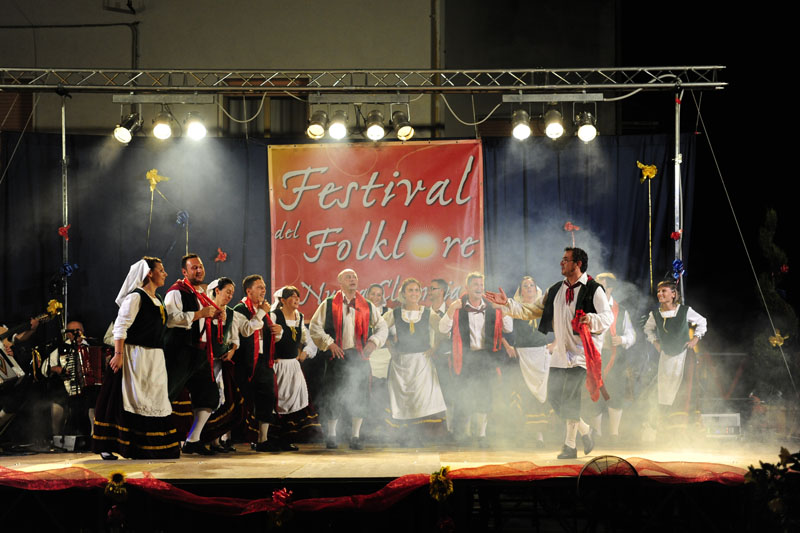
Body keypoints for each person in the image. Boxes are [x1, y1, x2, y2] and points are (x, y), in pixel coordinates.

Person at [486, 248, 613, 459]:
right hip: (560, 355)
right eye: (562, 259)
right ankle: (585, 430)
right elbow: (531, 311)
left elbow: (607, 317)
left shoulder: (594, 289)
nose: (561, 263)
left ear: (578, 263)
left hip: (582, 355)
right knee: (554, 398)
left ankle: (570, 446)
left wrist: (592, 320)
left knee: (571, 397)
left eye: (566, 260)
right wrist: (507, 304)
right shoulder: (555, 290)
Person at [92, 257, 180, 459]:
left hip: (154, 357)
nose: (165, 273)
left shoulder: (157, 299)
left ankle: (148, 446)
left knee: (153, 398)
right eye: (161, 270)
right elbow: (120, 327)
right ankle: (111, 445)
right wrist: (118, 354)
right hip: (134, 355)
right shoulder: (136, 297)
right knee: (123, 398)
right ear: (149, 273)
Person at [309, 268, 388, 450]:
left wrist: (374, 342)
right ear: (340, 282)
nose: (352, 279)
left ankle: (355, 436)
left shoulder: (367, 304)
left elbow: (382, 327)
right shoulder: (328, 304)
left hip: (359, 356)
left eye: (354, 276)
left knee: (360, 394)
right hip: (337, 356)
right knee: (333, 394)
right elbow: (314, 327)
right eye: (348, 277)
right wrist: (329, 343)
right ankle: (331, 436)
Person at [438, 272, 513, 448]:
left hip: (485, 357)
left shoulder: (491, 306)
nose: (479, 288)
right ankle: (461, 436)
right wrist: (450, 309)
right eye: (475, 285)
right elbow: (442, 329)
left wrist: (505, 307)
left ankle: (481, 435)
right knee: (464, 396)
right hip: (464, 358)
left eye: (481, 285)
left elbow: (508, 328)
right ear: (467, 288)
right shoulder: (458, 307)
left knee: (484, 396)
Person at [164, 253, 223, 455]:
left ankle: (193, 439)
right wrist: (200, 313)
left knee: (209, 396)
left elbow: (205, 321)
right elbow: (171, 319)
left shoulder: (201, 293)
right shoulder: (176, 292)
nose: (199, 270)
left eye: (200, 267)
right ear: (184, 271)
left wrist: (215, 314)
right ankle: (156, 438)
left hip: (201, 353)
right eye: (193, 268)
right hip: (182, 351)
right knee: (167, 393)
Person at [383, 278, 447, 443]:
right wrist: (390, 347)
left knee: (423, 399)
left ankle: (424, 436)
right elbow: (379, 329)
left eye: (417, 290)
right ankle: (404, 436)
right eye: (410, 290)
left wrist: (435, 347)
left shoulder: (427, 312)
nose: (414, 293)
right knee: (403, 401)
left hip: (422, 362)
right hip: (401, 363)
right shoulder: (395, 313)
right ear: (404, 293)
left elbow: (443, 330)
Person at [643, 280, 707, 435]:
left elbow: (702, 321)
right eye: (659, 291)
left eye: (664, 291)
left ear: (673, 294)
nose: (660, 294)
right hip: (666, 357)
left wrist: (695, 339)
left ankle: (687, 431)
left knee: (685, 391)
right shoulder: (655, 314)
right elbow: (647, 329)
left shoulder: (684, 311)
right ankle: (668, 432)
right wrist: (655, 342)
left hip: (684, 357)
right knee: (666, 391)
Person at [231, 274, 282, 452]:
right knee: (240, 399)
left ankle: (263, 439)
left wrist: (279, 330)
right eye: (259, 287)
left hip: (263, 360)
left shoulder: (265, 312)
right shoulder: (239, 309)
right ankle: (228, 438)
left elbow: (272, 335)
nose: (263, 291)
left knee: (267, 396)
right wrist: (261, 313)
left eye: (264, 287)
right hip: (244, 361)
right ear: (249, 291)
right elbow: (245, 331)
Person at [503, 276, 553, 448]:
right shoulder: (515, 308)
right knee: (524, 394)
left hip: (542, 355)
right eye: (525, 286)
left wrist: (555, 344)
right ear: (521, 290)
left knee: (542, 396)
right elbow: (505, 329)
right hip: (523, 356)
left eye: (532, 285)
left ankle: (540, 436)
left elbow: (559, 326)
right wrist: (505, 308)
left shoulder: (545, 308)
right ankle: (524, 435)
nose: (529, 288)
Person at [268, 286, 320, 450]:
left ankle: (286, 438)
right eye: (292, 296)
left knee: (292, 401)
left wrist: (305, 353)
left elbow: (310, 340)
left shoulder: (299, 317)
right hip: (277, 365)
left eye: (298, 296)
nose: (297, 299)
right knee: (276, 402)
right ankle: (269, 438)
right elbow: (264, 339)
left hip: (293, 366)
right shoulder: (274, 316)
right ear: (282, 300)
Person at [588, 272, 637, 443]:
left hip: (615, 359)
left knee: (615, 393)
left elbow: (632, 334)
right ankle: (597, 434)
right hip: (594, 359)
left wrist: (622, 339)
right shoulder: (589, 308)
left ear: (610, 288)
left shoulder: (620, 310)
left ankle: (614, 434)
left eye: (601, 287)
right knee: (594, 393)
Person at [427, 278, 456, 439]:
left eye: (433, 288)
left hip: (446, 359)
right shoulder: (424, 312)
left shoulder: (452, 311)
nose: (430, 291)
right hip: (426, 360)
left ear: (442, 291)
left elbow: (450, 336)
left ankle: (450, 429)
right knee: (430, 394)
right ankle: (432, 430)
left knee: (448, 394)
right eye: (430, 289)